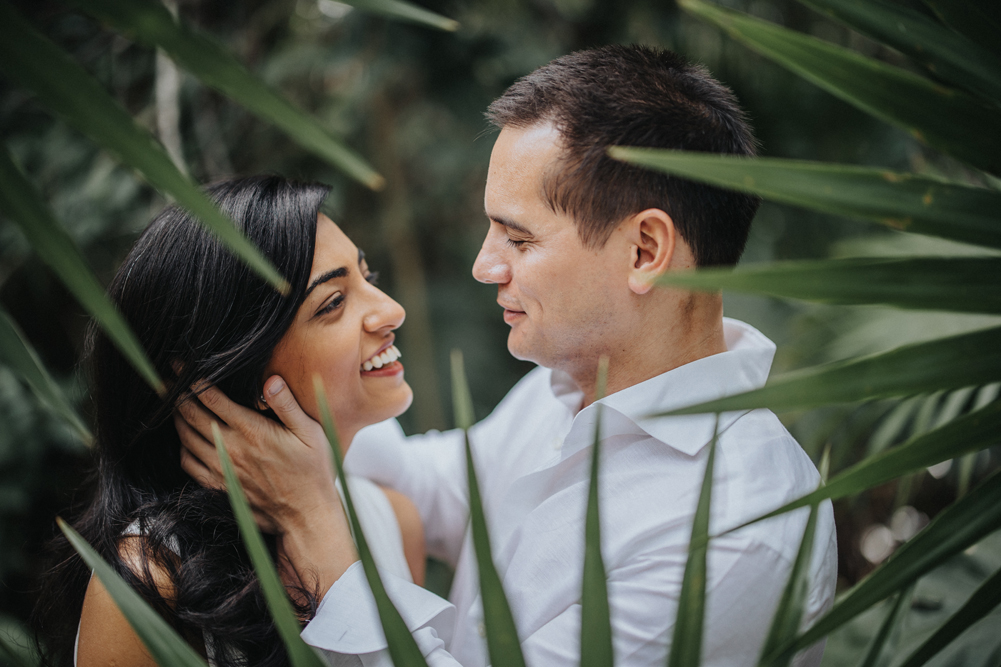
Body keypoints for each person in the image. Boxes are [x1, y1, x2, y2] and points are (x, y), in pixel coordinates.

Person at [176, 46, 838, 666]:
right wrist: (290, 405)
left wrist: (310, 517)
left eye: (517, 239)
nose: (483, 265)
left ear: (643, 251)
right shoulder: (574, 381)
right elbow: (442, 488)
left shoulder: (736, 533)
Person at [31, 176, 432, 667]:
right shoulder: (153, 582)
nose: (391, 311)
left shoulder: (395, 523)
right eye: (332, 303)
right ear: (236, 370)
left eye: (367, 278)